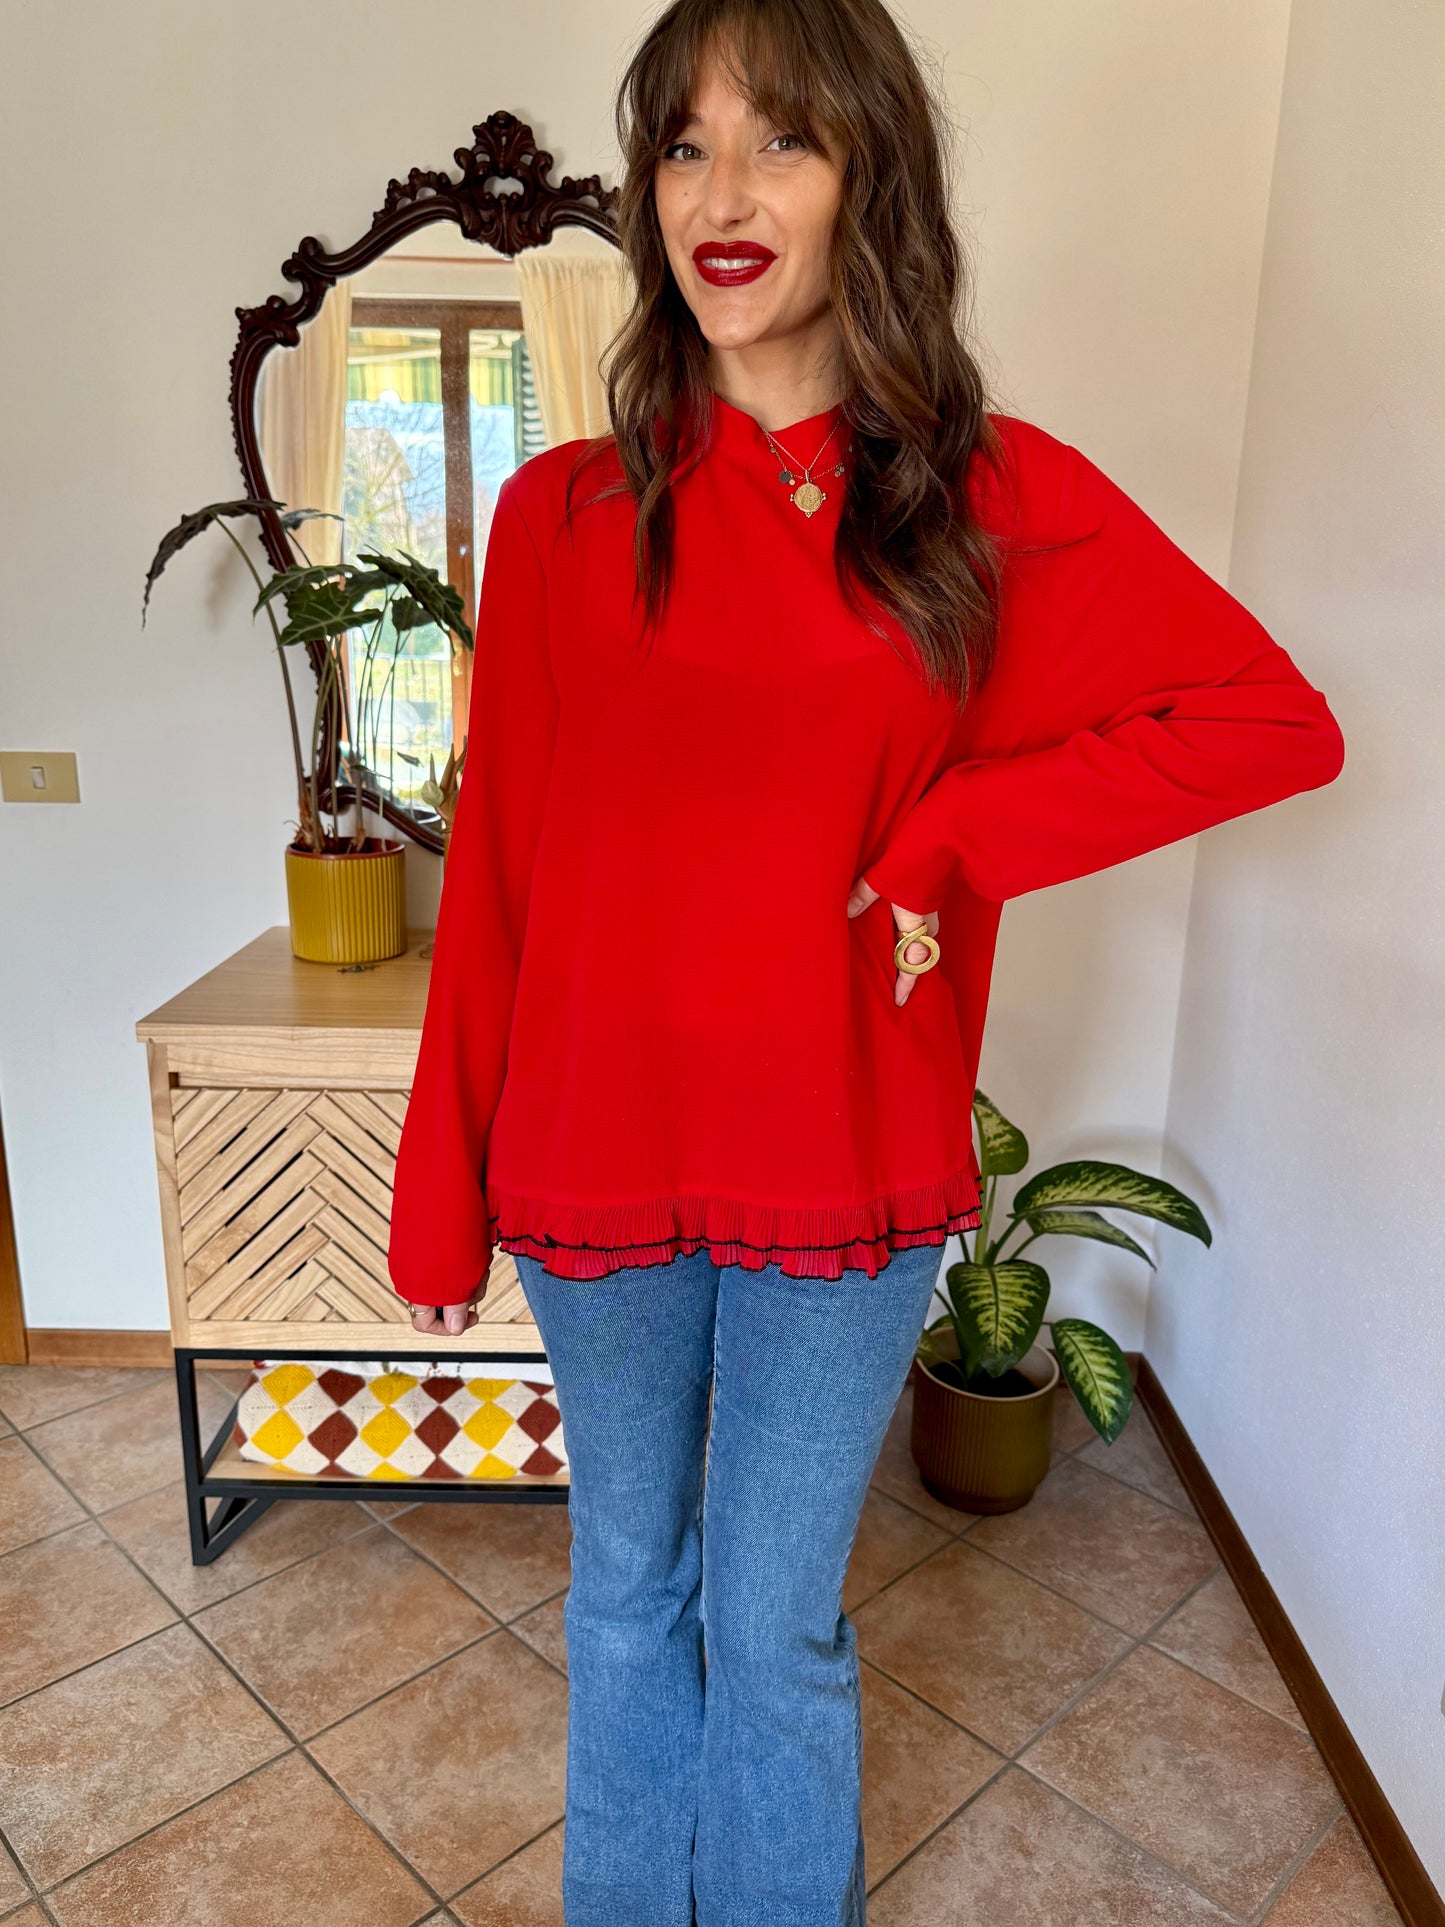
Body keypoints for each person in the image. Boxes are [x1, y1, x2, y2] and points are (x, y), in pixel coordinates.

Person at [387, 1, 1346, 1920]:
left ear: (867, 184)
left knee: (779, 1620)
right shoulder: (562, 515)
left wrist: (951, 834)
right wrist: (442, 1180)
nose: (720, 197)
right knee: (624, 1600)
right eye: (682, 146)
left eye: (782, 143)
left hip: (841, 1154)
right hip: (589, 1157)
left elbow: (1267, 719)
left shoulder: (977, 502)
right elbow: (498, 867)